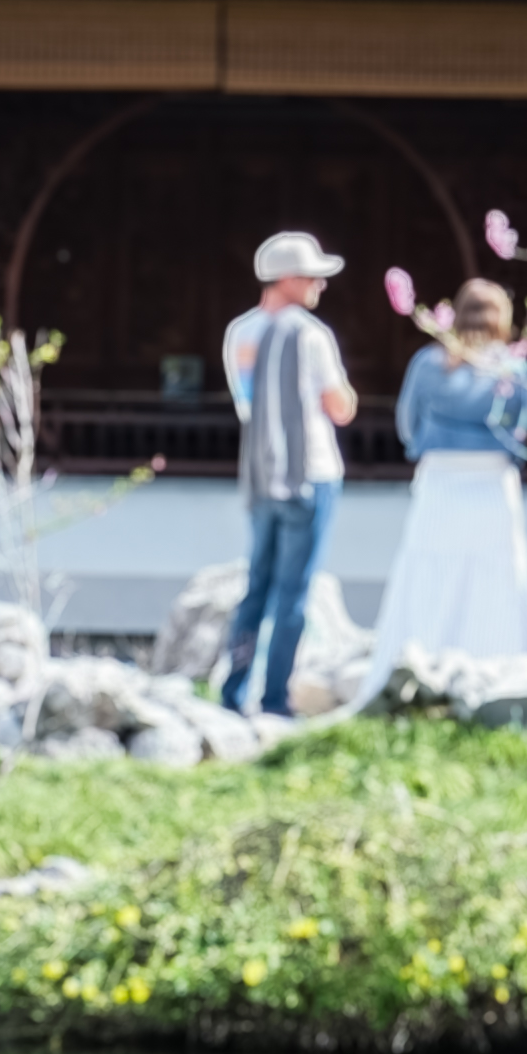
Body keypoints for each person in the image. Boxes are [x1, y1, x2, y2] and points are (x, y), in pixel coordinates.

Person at [374, 280, 527, 668]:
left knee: (429, 567)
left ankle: (424, 651)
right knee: (496, 569)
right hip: (493, 481)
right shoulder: (512, 367)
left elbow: (407, 423)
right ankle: (494, 653)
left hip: (439, 478)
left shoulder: (427, 362)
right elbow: (524, 427)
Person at [216, 230, 355, 717]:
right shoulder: (310, 334)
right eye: (313, 276)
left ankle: (234, 689)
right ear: (289, 279)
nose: (321, 285)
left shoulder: (239, 332)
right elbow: (340, 407)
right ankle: (276, 697)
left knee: (256, 586)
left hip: (261, 475)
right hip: (310, 472)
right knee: (294, 594)